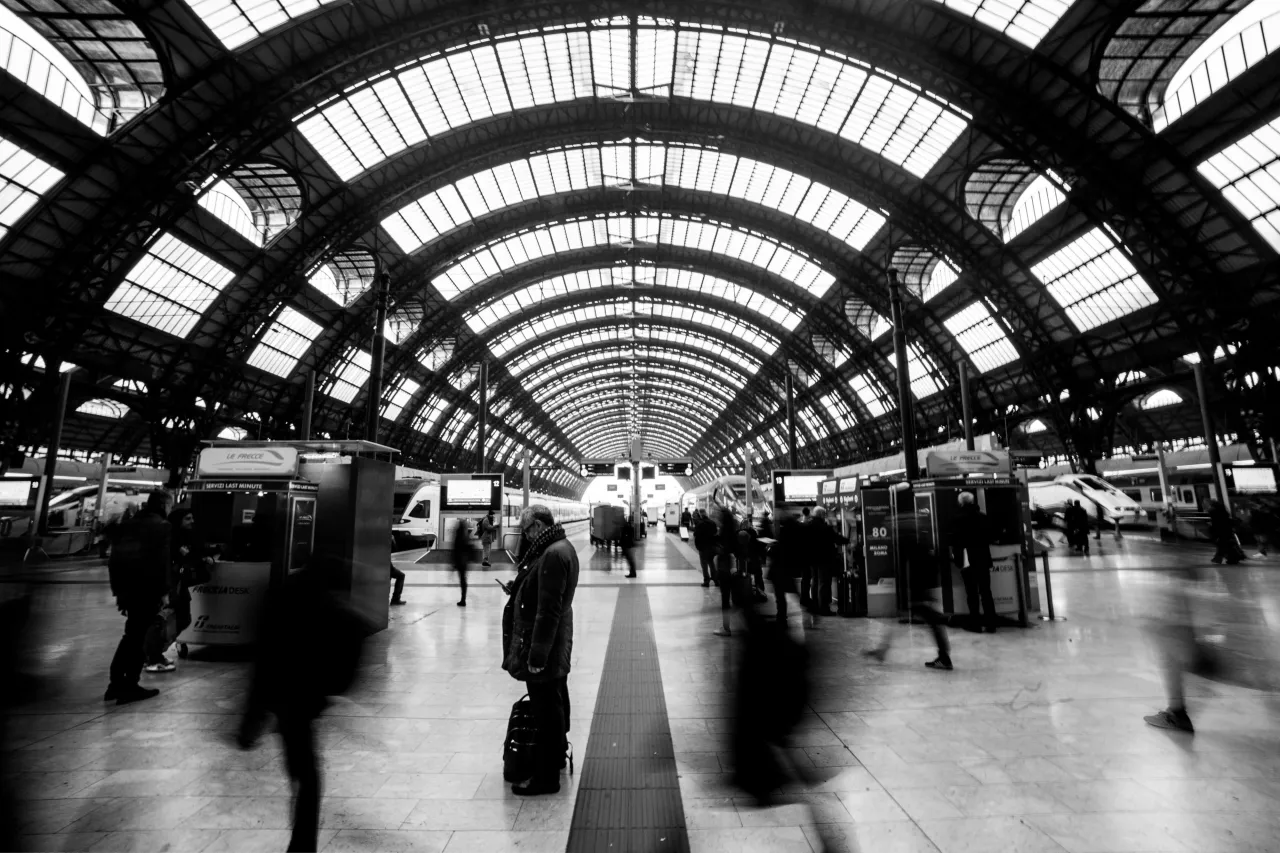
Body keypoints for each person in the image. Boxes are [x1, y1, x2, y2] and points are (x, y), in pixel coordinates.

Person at [239, 556, 368, 852]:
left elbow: (263, 661)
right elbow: (344, 672)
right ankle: (302, 845)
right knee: (307, 774)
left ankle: (301, 843)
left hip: (284, 694)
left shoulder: (284, 596)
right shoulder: (337, 613)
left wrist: (253, 715)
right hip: (300, 698)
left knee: (303, 771)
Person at [500, 505, 579, 795]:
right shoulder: (559, 547)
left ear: (537, 525)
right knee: (554, 701)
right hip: (555, 641)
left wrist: (537, 657)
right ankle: (556, 757)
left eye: (527, 530)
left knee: (546, 709)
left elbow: (548, 610)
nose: (526, 536)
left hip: (547, 644)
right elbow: (544, 593)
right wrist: (520, 588)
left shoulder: (552, 554)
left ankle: (546, 779)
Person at [105, 490, 172, 705]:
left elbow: (114, 561)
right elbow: (160, 563)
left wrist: (118, 591)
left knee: (130, 636)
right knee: (139, 639)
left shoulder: (128, 524)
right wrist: (164, 592)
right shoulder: (161, 526)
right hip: (147, 590)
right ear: (164, 505)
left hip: (127, 589)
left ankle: (115, 683)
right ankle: (130, 685)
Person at [866, 507, 952, 670]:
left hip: (917, 592)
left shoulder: (909, 544)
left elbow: (911, 569)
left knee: (932, 622)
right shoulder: (916, 542)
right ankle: (882, 651)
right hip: (919, 591)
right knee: (929, 622)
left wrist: (912, 594)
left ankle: (944, 657)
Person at [144, 508, 210, 671]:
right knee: (163, 620)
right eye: (187, 518)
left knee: (183, 618)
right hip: (169, 586)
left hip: (179, 585)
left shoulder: (186, 537)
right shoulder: (168, 539)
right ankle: (152, 655)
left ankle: (155, 652)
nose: (192, 521)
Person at [951, 492, 998, 633]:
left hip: (968, 559)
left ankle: (975, 624)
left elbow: (955, 541)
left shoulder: (957, 518)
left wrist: (956, 556)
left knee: (972, 593)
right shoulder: (982, 517)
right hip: (982, 558)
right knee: (986, 592)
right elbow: (992, 536)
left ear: (961, 503)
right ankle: (991, 624)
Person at [807, 507, 848, 616]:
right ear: (821, 515)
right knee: (824, 583)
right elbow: (836, 538)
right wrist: (848, 541)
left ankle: (815, 606)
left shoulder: (808, 526)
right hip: (824, 559)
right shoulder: (825, 527)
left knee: (815, 581)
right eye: (824, 514)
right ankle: (824, 608)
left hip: (812, 559)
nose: (825, 516)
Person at [714, 506, 739, 636]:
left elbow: (722, 550)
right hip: (731, 568)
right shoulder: (733, 531)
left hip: (725, 569)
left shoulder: (724, 533)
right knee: (731, 598)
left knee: (725, 599)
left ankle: (726, 628)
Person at [1208, 499, 1242, 565]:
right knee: (1226, 545)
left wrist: (1213, 531)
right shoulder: (1223, 512)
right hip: (1227, 532)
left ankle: (1221, 558)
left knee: (1222, 546)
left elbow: (1215, 524)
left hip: (1220, 532)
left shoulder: (1214, 513)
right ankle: (1229, 558)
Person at [453, 518, 475, 606]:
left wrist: (454, 563)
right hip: (464, 562)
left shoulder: (458, 536)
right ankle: (463, 599)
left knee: (462, 580)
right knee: (463, 580)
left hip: (460, 561)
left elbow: (456, 550)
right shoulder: (465, 536)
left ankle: (463, 600)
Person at [693, 510, 718, 588]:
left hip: (702, 547)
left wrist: (698, 546)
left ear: (700, 515)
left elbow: (696, 535)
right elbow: (716, 533)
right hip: (711, 546)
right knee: (711, 563)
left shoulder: (700, 524)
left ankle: (706, 581)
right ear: (706, 514)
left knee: (704, 565)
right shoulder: (712, 523)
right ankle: (716, 580)